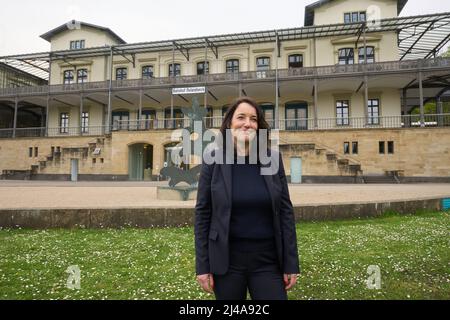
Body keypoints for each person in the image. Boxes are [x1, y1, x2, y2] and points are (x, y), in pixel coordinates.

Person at [195, 97, 300, 300]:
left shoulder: (273, 159)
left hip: (268, 261)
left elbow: (286, 212)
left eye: (253, 119)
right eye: (241, 117)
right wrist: (202, 266)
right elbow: (202, 214)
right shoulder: (213, 160)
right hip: (226, 261)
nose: (247, 123)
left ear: (259, 126)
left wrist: (290, 263)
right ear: (229, 123)